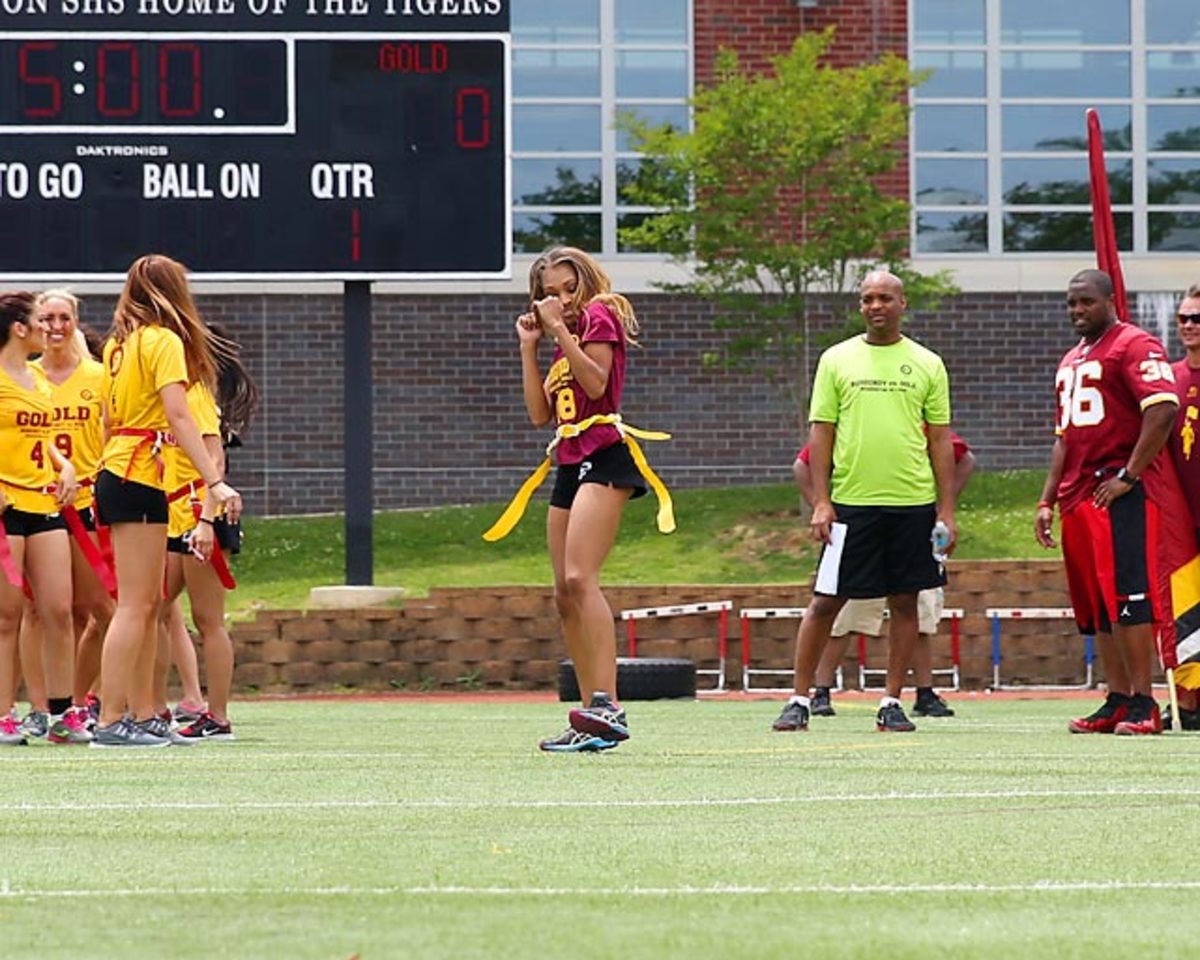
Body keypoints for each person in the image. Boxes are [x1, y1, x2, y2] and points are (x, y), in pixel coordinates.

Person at [772, 270, 956, 734]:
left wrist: (946, 510)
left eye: (885, 298)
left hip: (912, 504)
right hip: (851, 505)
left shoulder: (927, 363)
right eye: (868, 299)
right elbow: (821, 434)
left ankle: (892, 701)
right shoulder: (836, 360)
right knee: (824, 603)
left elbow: (940, 441)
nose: (876, 306)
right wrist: (821, 501)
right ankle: (799, 699)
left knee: (907, 604)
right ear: (860, 306)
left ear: (902, 303)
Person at [503, 247, 662, 753]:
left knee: (580, 577)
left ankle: (607, 704)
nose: (561, 300)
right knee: (561, 592)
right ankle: (588, 716)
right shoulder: (557, 341)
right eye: (550, 292)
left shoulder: (601, 314)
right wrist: (530, 346)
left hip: (606, 454)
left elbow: (596, 382)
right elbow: (536, 415)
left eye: (569, 289)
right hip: (569, 459)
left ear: (586, 284)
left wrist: (561, 331)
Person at [91, 254, 242, 748]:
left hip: (121, 468)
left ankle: (139, 713)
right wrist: (212, 482)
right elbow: (179, 415)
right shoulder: (164, 340)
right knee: (136, 606)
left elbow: (110, 419)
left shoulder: (119, 344)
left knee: (146, 603)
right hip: (139, 471)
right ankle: (113, 719)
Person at [1034, 269, 1177, 736]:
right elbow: (1064, 437)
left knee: (1129, 599)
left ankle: (1144, 702)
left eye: (1086, 302)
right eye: (1071, 303)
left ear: (1111, 300)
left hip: (1118, 491)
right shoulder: (1072, 357)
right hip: (1079, 495)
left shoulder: (1133, 344)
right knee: (1097, 607)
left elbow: (1162, 408)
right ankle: (1116, 698)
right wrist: (1046, 499)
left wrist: (1128, 475)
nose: (1077, 311)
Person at [794, 435, 976, 717]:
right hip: (857, 516)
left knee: (916, 608)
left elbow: (961, 456)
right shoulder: (853, 414)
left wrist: (944, 509)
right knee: (836, 610)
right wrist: (821, 504)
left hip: (911, 518)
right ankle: (817, 691)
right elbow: (804, 461)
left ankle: (915, 694)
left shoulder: (918, 416)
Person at [17, 291, 114, 738]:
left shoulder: (97, 375)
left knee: (97, 607)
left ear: (76, 322)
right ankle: (39, 707)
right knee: (35, 610)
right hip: (35, 500)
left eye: (63, 317)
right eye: (47, 317)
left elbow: (112, 434)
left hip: (86, 502)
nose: (55, 325)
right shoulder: (24, 375)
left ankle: (76, 702)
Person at [161, 326, 258, 741]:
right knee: (151, 609)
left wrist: (205, 520)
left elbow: (214, 462)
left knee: (207, 619)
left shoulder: (196, 397)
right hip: (169, 516)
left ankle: (217, 715)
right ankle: (150, 707)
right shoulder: (170, 399)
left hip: (197, 517)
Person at [0, 291, 85, 746]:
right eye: (38, 320)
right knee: (7, 616)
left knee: (58, 609)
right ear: (19, 328)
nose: (47, 329)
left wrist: (64, 465)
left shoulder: (36, 378)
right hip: (7, 508)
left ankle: (61, 711)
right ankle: (4, 714)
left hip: (43, 502)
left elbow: (45, 437)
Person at [1164, 282, 1200, 730]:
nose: (1190, 326)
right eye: (1184, 319)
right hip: (1180, 521)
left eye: (1198, 318)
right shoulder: (1168, 380)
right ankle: (1189, 700)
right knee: (1188, 613)